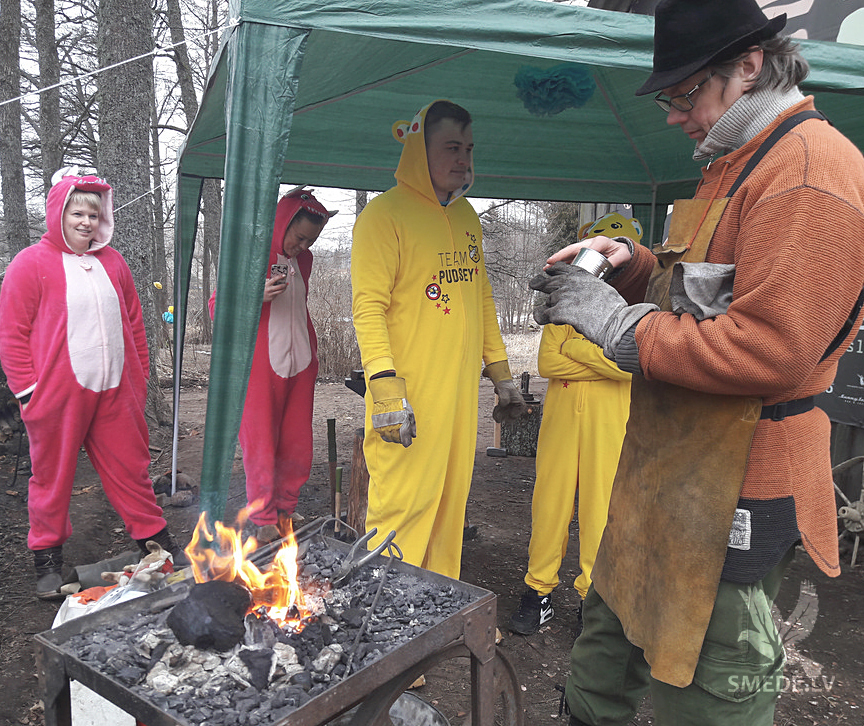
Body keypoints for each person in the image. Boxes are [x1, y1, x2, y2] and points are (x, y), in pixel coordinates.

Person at [529, 1, 864, 724]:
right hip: (671, 469)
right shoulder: (735, 160)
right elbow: (707, 297)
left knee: (713, 686)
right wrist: (630, 268)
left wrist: (616, 325)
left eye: (686, 94)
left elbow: (771, 349)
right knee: (606, 651)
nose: (674, 114)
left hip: (742, 478)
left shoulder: (808, 171)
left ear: (749, 64)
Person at [351, 100, 527, 579]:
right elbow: (368, 307)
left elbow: (481, 297)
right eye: (451, 147)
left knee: (451, 501)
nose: (463, 159)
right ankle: (381, 612)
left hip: (458, 399)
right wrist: (385, 390)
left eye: (468, 148)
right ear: (417, 151)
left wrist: (502, 374)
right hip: (408, 398)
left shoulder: (467, 216)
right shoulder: (384, 216)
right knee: (402, 506)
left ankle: (434, 605)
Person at [0, 170, 188, 600]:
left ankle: (155, 543)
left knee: (131, 470)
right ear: (59, 212)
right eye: (76, 212)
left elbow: (136, 324)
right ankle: (46, 559)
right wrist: (29, 392)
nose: (85, 221)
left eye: (93, 213)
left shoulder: (114, 262)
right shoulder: (30, 263)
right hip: (57, 396)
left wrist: (138, 382)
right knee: (52, 476)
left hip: (116, 392)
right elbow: (12, 333)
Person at [509, 214, 637, 636]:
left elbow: (632, 369)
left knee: (601, 510)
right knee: (550, 505)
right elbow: (548, 362)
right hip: (562, 425)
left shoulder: (634, 311)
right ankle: (538, 591)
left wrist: (578, 354)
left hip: (609, 425)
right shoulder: (564, 305)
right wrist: (603, 354)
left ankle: (592, 597)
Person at [208, 187, 334, 543]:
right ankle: (263, 518)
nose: (303, 246)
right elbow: (218, 309)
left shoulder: (303, 261)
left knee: (296, 443)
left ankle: (285, 510)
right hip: (260, 367)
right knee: (261, 441)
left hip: (300, 364)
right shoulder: (251, 252)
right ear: (282, 222)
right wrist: (253, 296)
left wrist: (311, 352)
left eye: (311, 241)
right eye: (299, 237)